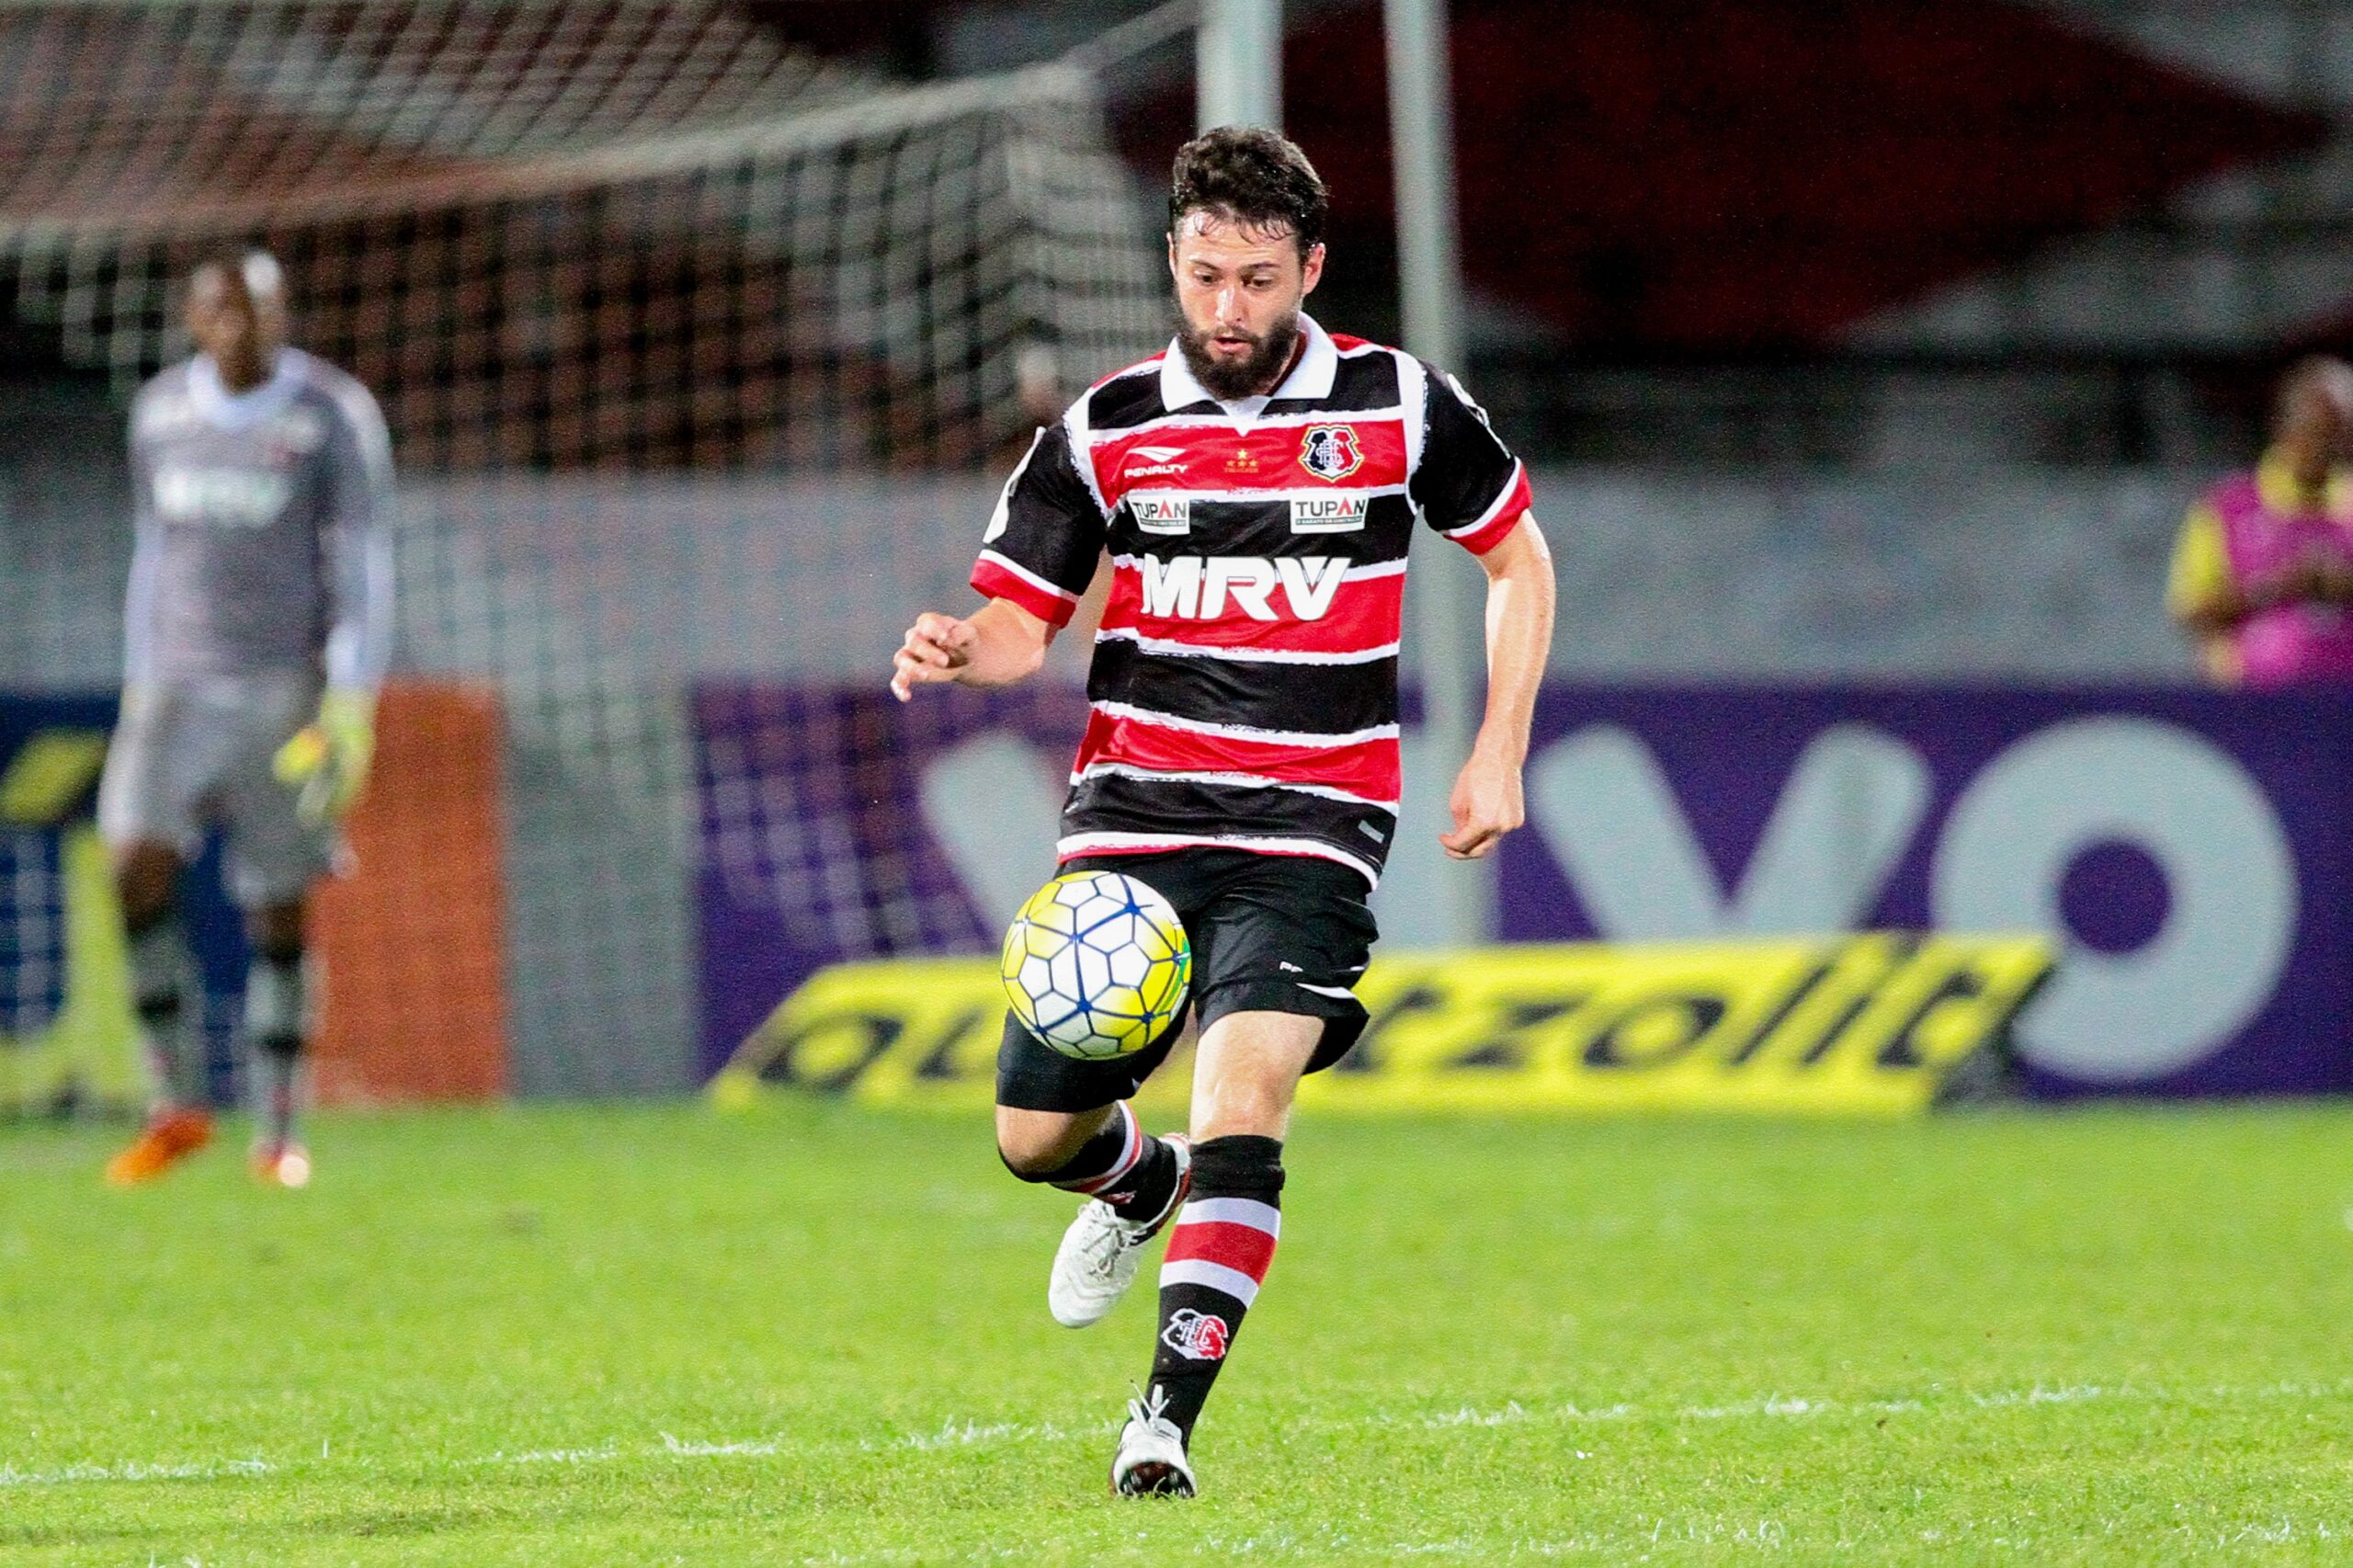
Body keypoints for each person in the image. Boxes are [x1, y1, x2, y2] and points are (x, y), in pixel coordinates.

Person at [891, 128, 1556, 1496]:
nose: (1231, 309)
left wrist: (1498, 747)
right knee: (1032, 1140)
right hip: (1131, 819)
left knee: (1247, 1094)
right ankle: (1141, 1184)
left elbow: (1518, 558)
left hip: (1311, 822)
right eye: (1206, 276)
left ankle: (1161, 1422)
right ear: (1174, 263)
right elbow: (1028, 620)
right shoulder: (1104, 428)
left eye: (1260, 279)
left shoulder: (1399, 405)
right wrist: (965, 644)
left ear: (1310, 267)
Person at [98, 250, 394, 1188]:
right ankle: (175, 1104)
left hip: (283, 691)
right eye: (223, 310)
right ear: (194, 318)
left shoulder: (330, 414)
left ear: (280, 314)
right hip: (175, 688)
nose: (242, 326)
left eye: (259, 310)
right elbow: (155, 553)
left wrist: (352, 695)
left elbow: (361, 560)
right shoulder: (159, 415)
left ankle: (278, 1131)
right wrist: (138, 673)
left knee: (277, 901)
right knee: (131, 864)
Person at [2169, 357, 2353, 686]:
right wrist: (2275, 588)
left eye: (2342, 434)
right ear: (2283, 427)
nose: (2332, 447)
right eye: (2320, 431)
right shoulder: (2228, 508)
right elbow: (2193, 610)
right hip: (2254, 701)